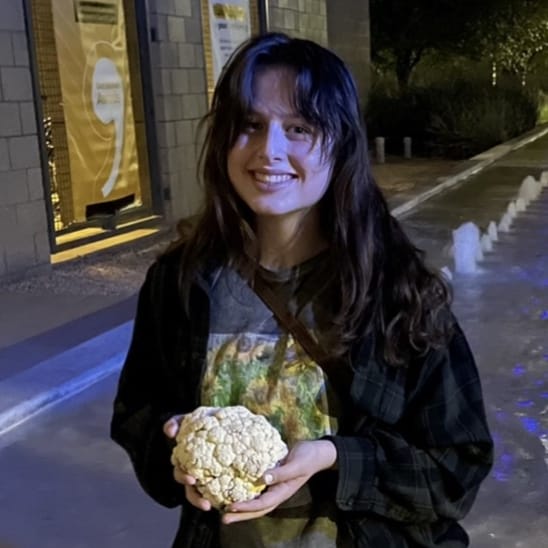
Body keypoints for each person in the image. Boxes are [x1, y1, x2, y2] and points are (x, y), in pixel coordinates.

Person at [110, 32, 493, 547]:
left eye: (298, 128)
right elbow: (138, 411)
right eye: (250, 125)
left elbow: (456, 466)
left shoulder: (395, 291)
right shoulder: (182, 282)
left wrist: (337, 457)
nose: (269, 150)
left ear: (341, 145)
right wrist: (175, 448)